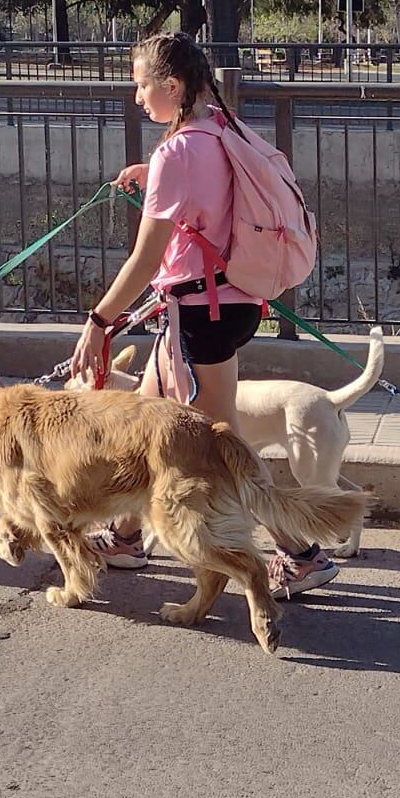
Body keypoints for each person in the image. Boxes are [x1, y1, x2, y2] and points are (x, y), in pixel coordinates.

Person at [68, 32, 339, 598]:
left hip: (200, 313)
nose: (136, 96)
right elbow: (211, 187)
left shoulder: (177, 152)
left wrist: (99, 321)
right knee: (144, 422)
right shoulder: (218, 126)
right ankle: (123, 537)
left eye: (141, 84)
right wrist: (153, 172)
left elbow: (145, 259)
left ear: (171, 85)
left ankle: (301, 554)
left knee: (226, 448)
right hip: (228, 301)